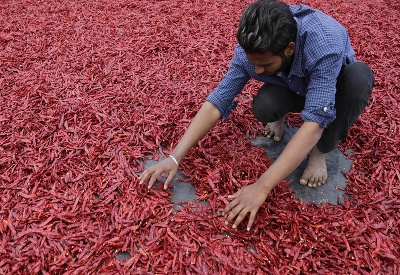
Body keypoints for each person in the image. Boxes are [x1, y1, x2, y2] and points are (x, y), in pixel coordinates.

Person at [139, 0, 374, 231]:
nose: (258, 71)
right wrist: (175, 157)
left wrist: (262, 186)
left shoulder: (324, 44)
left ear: (289, 48)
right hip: (291, 82)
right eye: (255, 65)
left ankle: (320, 152)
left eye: (265, 65)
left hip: (334, 82)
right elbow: (217, 101)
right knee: (264, 105)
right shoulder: (248, 53)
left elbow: (314, 122)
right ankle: (279, 113)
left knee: (358, 78)